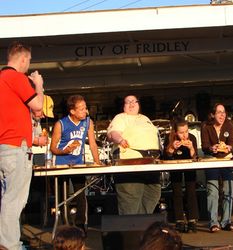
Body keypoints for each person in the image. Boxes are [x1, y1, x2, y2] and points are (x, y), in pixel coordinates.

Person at [0, 41, 44, 250]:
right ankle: (10, 245)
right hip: (16, 146)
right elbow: (37, 107)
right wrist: (39, 85)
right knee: (14, 200)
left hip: (3, 145)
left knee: (5, 199)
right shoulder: (15, 77)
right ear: (24, 59)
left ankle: (7, 241)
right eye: (29, 61)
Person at [50, 95, 101, 233]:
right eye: (82, 109)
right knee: (62, 196)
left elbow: (92, 143)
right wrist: (64, 150)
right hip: (62, 164)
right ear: (72, 111)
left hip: (78, 163)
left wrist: (97, 162)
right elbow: (53, 148)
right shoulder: (60, 124)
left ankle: (80, 225)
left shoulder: (87, 122)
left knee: (80, 194)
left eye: (86, 108)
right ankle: (65, 224)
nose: (85, 111)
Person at [107, 95, 161, 215]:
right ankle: (131, 228)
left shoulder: (145, 118)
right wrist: (120, 140)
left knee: (153, 193)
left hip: (150, 163)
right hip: (130, 163)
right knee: (131, 199)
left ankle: (141, 224)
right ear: (124, 106)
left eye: (134, 101)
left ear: (138, 104)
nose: (131, 104)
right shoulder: (121, 118)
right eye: (128, 102)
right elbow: (113, 133)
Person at [201, 103, 233, 232]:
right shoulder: (205, 126)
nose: (222, 115)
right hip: (211, 160)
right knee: (212, 191)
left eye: (224, 112)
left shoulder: (229, 125)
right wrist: (212, 148)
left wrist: (229, 147)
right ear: (212, 114)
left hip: (227, 159)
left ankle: (226, 221)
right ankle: (213, 222)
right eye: (219, 112)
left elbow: (232, 142)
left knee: (228, 190)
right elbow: (204, 146)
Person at [163, 118, 199, 233]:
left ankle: (192, 219)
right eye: (181, 132)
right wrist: (172, 148)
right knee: (177, 191)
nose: (184, 135)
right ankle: (179, 220)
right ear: (175, 132)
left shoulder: (192, 138)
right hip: (175, 166)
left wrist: (191, 148)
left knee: (191, 190)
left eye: (186, 132)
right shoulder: (169, 137)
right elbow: (165, 156)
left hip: (189, 165)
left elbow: (195, 157)